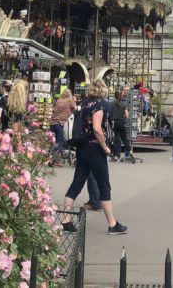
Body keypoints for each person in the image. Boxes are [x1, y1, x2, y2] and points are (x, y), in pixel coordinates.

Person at [61, 80, 127, 236]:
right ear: (103, 90)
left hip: (82, 148)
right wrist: (105, 147)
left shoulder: (84, 104)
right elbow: (97, 129)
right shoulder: (101, 105)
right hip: (95, 149)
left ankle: (65, 219)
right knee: (104, 185)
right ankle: (112, 224)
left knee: (77, 183)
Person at [50, 87, 76, 162]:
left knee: (57, 141)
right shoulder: (70, 101)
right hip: (60, 124)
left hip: (53, 124)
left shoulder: (59, 101)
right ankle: (51, 158)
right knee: (60, 143)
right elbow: (75, 108)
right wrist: (74, 101)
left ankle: (56, 159)